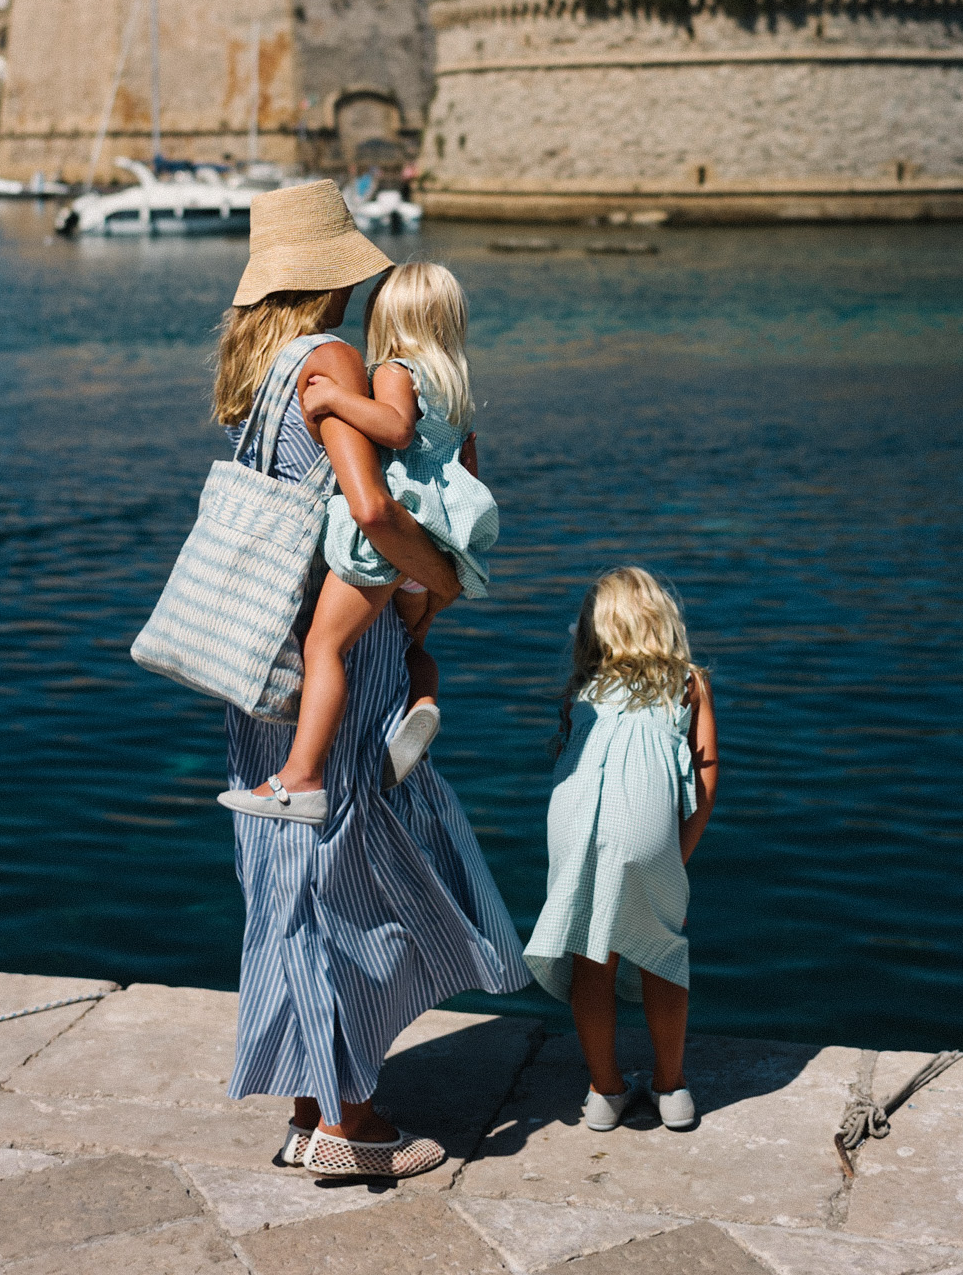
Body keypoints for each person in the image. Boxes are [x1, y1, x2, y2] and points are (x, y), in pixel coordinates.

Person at [212, 180, 530, 1182]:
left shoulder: (255, 372)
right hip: (343, 665)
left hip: (258, 663)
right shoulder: (337, 360)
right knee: (351, 876)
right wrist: (445, 577)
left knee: (288, 881)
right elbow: (369, 506)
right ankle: (353, 1123)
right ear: (331, 274)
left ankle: (313, 1108)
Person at [220, 261, 496, 823]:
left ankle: (302, 777)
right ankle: (421, 704)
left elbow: (393, 432)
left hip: (385, 540)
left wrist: (335, 402)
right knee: (412, 642)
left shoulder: (395, 370)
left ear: (385, 315)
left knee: (324, 648)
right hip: (434, 540)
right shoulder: (454, 385)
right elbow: (468, 466)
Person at [523, 566, 719, 1133]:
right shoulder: (688, 682)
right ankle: (671, 1089)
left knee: (592, 953)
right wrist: (675, 857)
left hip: (572, 821)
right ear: (662, 620)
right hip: (647, 831)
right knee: (661, 952)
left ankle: (605, 1093)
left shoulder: (584, 689)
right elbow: (704, 778)